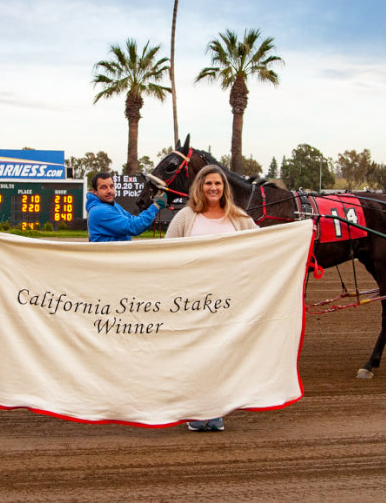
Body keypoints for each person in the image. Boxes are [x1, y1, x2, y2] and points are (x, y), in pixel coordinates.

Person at [165, 164, 257, 431]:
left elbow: (265, 243)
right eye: (208, 184)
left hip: (228, 300)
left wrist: (298, 236)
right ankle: (195, 410)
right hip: (192, 299)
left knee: (221, 355)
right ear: (199, 187)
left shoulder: (238, 218)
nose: (213, 188)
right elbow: (167, 252)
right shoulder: (185, 217)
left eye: (217, 183)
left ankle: (216, 411)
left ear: (224, 187)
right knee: (195, 355)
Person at [86, 172, 167, 242]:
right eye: (103, 187)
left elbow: (132, 219)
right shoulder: (100, 211)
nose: (109, 191)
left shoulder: (113, 205)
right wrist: (156, 206)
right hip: (109, 258)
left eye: (111, 186)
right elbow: (133, 226)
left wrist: (152, 207)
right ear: (94, 191)